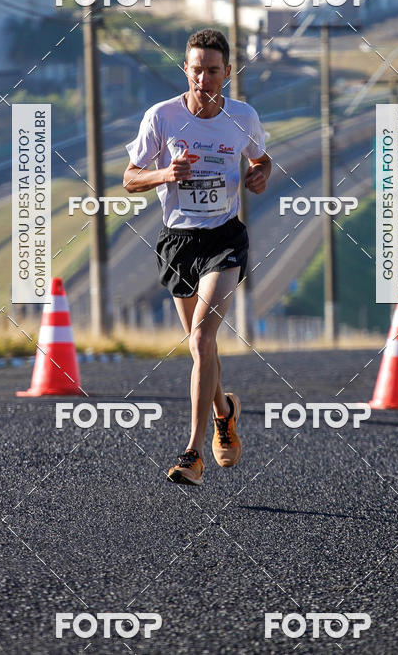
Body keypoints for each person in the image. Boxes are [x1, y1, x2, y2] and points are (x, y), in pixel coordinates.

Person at [124, 28, 271, 486]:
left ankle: (193, 453)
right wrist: (165, 174)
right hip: (178, 242)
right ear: (184, 70)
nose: (203, 79)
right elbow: (129, 178)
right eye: (196, 70)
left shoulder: (242, 117)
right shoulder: (162, 117)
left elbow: (262, 159)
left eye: (212, 70)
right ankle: (225, 412)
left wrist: (259, 175)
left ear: (227, 72)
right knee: (198, 346)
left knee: (204, 338)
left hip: (224, 239)